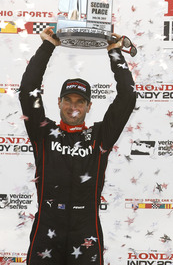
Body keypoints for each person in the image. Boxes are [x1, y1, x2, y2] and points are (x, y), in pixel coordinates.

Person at [19, 27, 137, 264]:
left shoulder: (100, 136)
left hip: (85, 231)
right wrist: (48, 45)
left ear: (88, 106)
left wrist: (115, 52)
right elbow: (28, 90)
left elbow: (127, 96)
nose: (73, 107)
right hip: (47, 229)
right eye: (68, 100)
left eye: (80, 102)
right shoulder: (43, 132)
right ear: (59, 102)